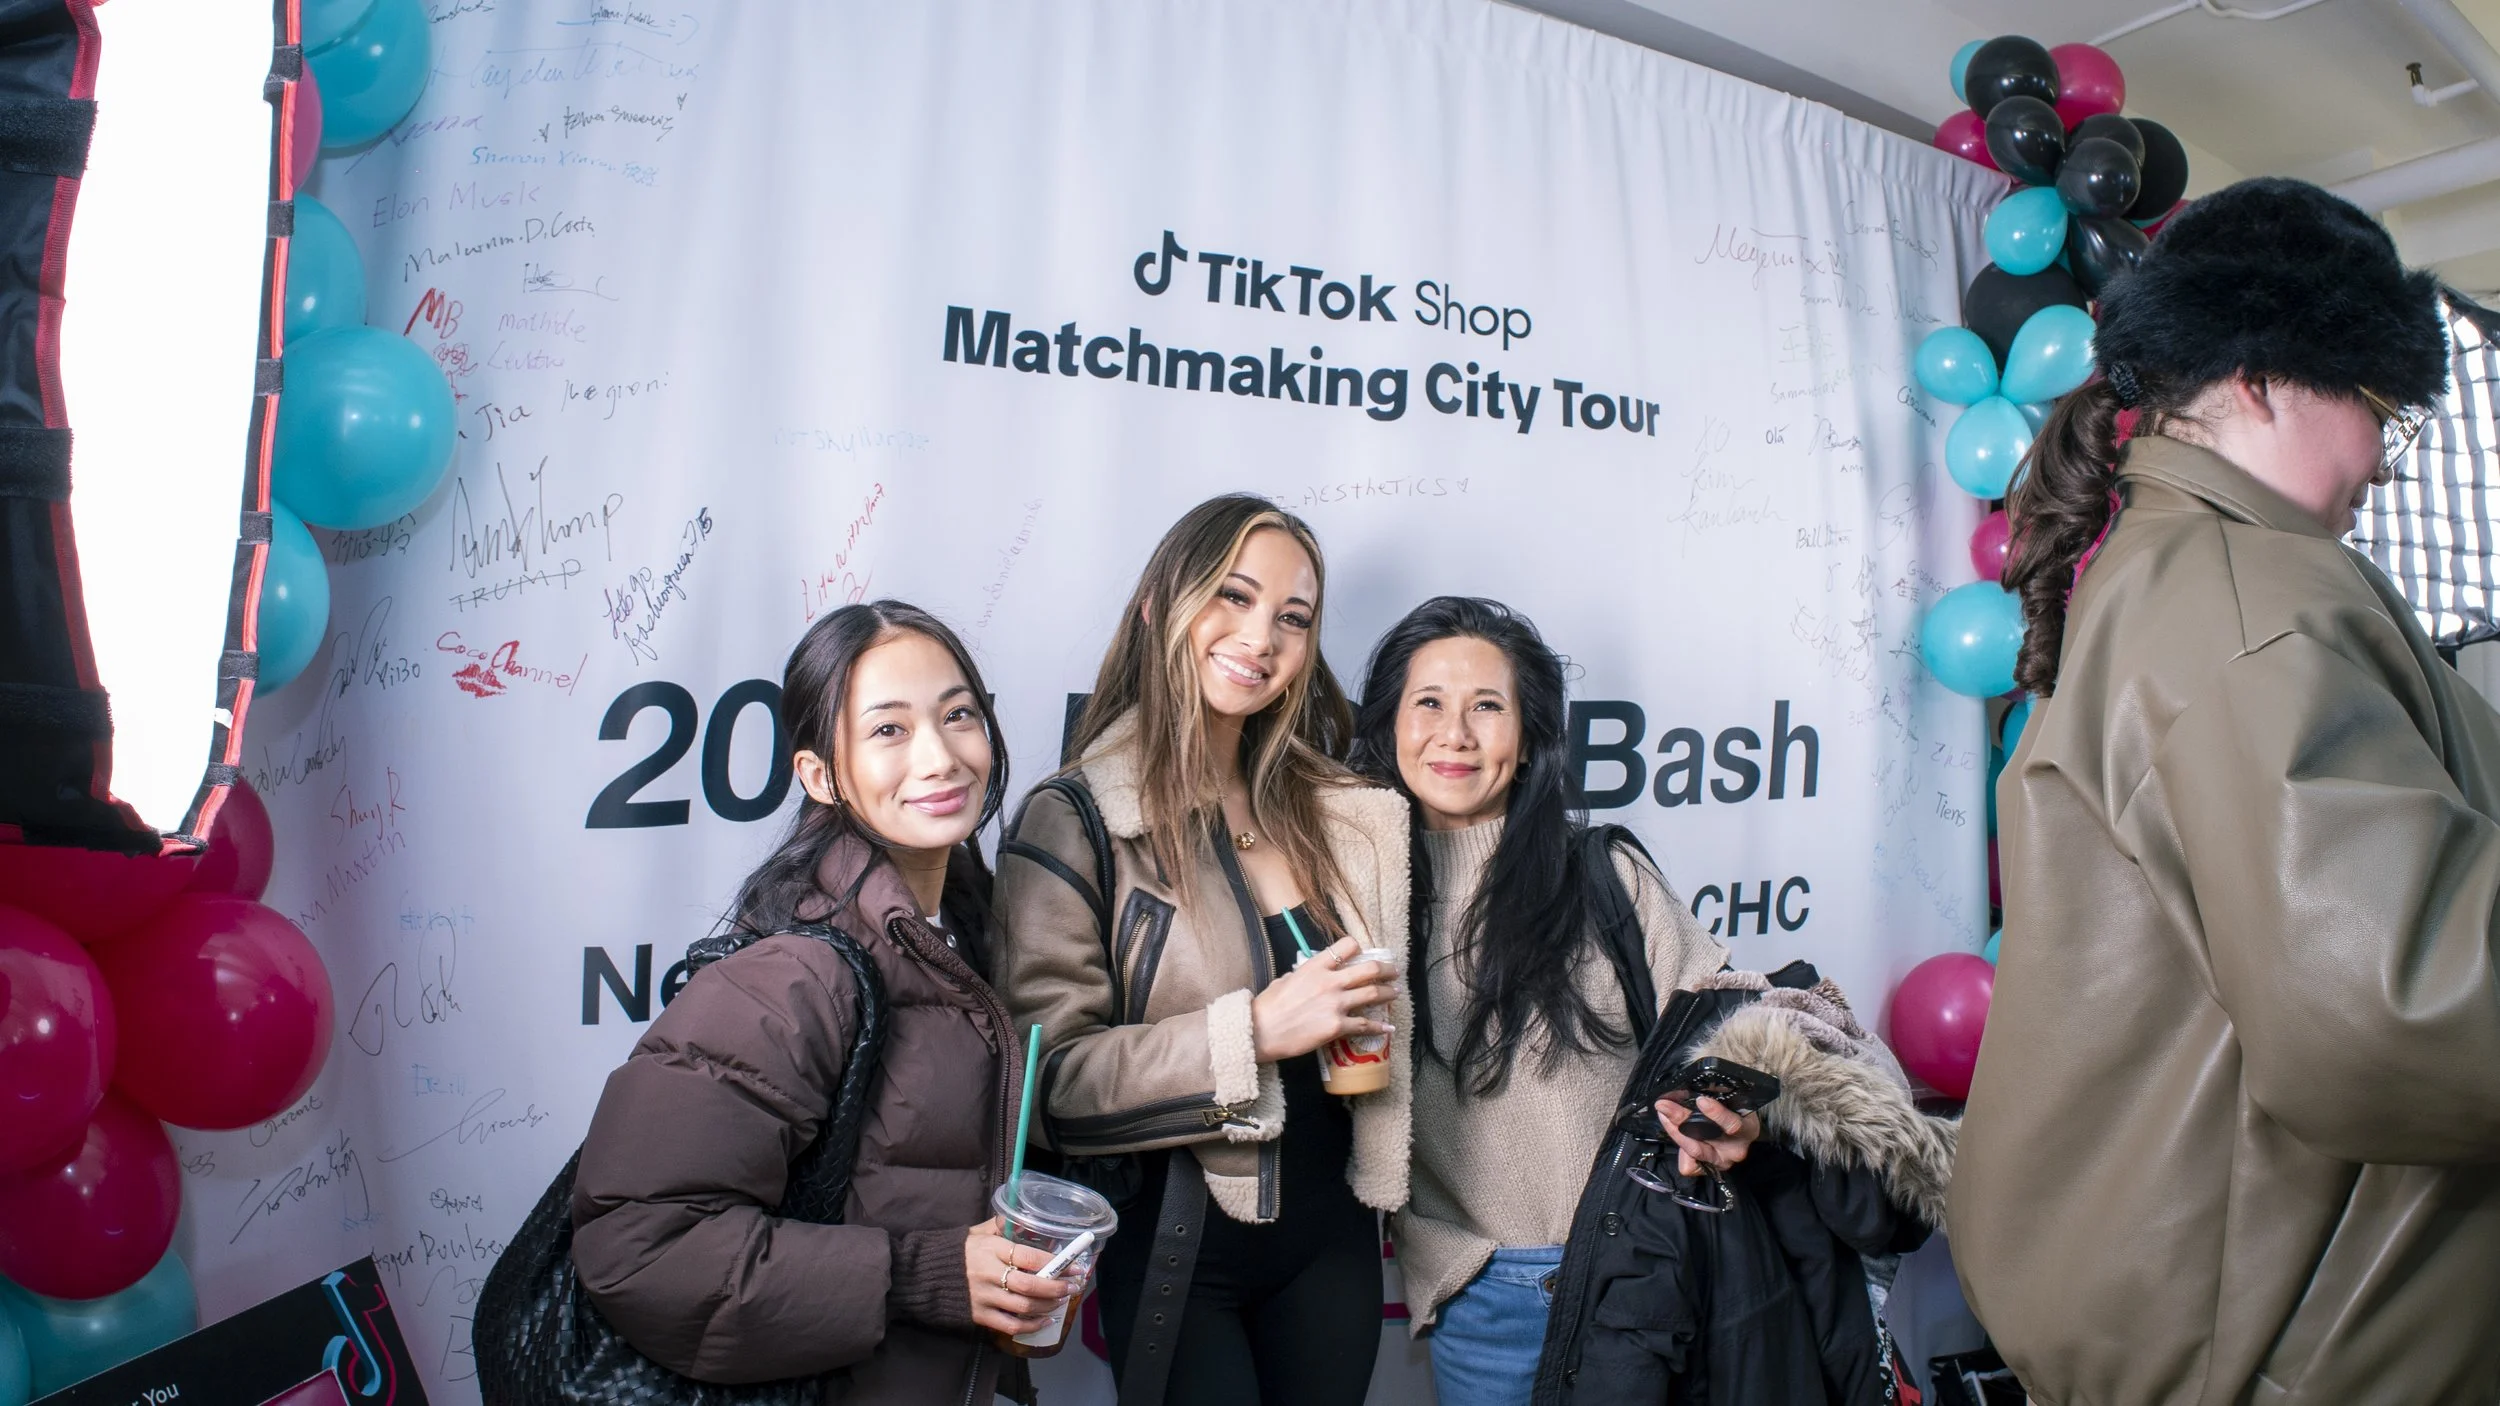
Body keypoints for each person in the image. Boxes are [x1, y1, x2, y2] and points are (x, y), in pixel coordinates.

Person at [1957, 178, 2500, 1404]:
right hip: (2280, 1339)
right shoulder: (2254, 598)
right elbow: (2391, 1006)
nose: (2381, 459)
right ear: (2257, 378)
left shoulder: (2184, 573)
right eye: (2377, 411)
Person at [1351, 597, 1949, 1405]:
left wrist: (1735, 1121)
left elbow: (1733, 1025)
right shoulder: (1354, 890)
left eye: (1487, 706)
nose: (1454, 733)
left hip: (1642, 1271)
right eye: (1429, 703)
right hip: (1483, 1298)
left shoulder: (1603, 875)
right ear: (1388, 722)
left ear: (1529, 738)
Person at [569, 602, 1068, 1402]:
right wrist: (924, 1274)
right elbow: (639, 1245)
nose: (941, 756)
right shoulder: (797, 973)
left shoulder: (971, 935)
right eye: (889, 730)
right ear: (819, 775)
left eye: (958, 715)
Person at [994, 494, 1410, 1406]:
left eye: (1291, 617)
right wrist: (1252, 1032)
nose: (1260, 637)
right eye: (1233, 595)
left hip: (1334, 1239)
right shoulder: (1076, 818)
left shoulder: (1333, 809)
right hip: (1181, 1237)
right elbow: (1048, 1083)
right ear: (1158, 605)